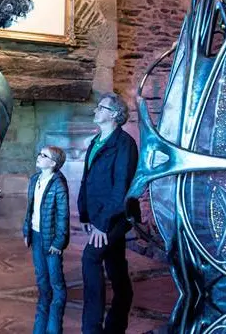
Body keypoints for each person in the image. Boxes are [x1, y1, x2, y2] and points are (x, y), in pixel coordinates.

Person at [78, 93, 138, 334]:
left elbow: (121, 187)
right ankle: (123, 299)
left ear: (114, 114)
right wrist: (85, 214)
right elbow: (87, 180)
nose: (96, 110)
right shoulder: (96, 141)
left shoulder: (125, 144)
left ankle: (91, 327)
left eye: (101, 107)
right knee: (114, 262)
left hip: (117, 216)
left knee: (90, 258)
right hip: (99, 215)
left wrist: (102, 224)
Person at [22, 145, 70, 334]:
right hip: (36, 234)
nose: (39, 156)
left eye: (44, 155)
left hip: (51, 238)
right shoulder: (35, 180)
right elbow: (30, 209)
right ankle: (44, 303)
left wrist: (59, 242)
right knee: (41, 274)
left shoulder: (58, 184)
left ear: (53, 163)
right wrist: (27, 231)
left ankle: (56, 315)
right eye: (40, 153)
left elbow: (63, 215)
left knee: (55, 277)